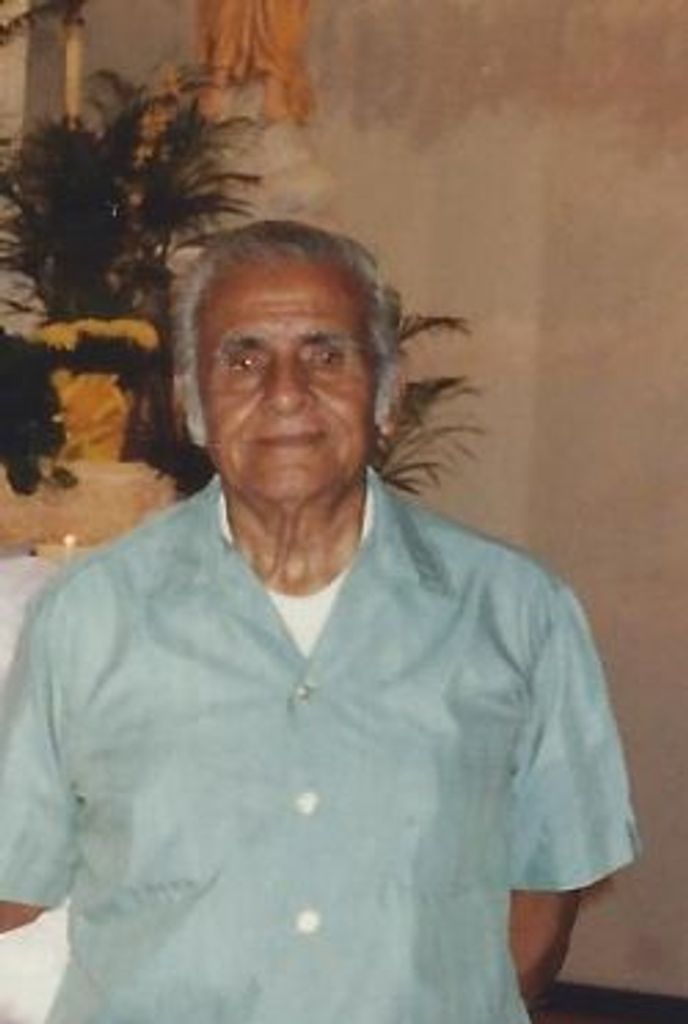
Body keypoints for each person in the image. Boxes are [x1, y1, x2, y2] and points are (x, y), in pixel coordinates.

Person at [0, 220, 638, 1023]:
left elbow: (544, 893)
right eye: (242, 359)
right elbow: (14, 879)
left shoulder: (518, 613)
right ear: (190, 404)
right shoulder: (88, 615)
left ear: (387, 394)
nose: (285, 391)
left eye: (326, 354)